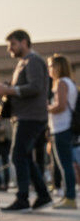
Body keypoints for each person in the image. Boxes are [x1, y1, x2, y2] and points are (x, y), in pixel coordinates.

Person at [0, 30, 51, 211]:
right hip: (24, 116)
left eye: (12, 44)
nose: (10, 49)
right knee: (23, 156)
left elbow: (36, 87)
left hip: (31, 117)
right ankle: (43, 195)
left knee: (18, 155)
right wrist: (8, 88)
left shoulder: (33, 61)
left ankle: (23, 198)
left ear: (24, 42)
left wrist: (8, 91)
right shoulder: (22, 63)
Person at [46, 54, 77, 209]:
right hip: (63, 128)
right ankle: (68, 196)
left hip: (62, 128)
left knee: (65, 164)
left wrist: (46, 107)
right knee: (66, 164)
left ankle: (70, 197)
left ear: (57, 67)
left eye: (50, 66)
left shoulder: (61, 83)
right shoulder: (68, 82)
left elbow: (61, 106)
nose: (49, 69)